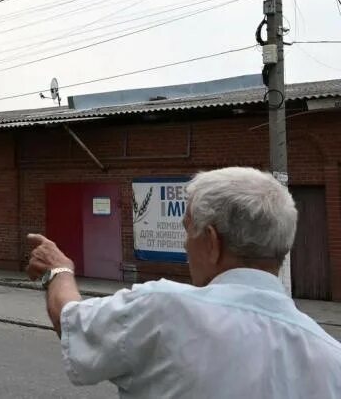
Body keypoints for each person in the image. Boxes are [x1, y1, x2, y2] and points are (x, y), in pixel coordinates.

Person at [26, 167, 341, 398]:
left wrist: (59, 270)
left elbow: (72, 320)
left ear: (212, 241)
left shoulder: (165, 310)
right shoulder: (331, 359)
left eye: (188, 230)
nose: (186, 246)